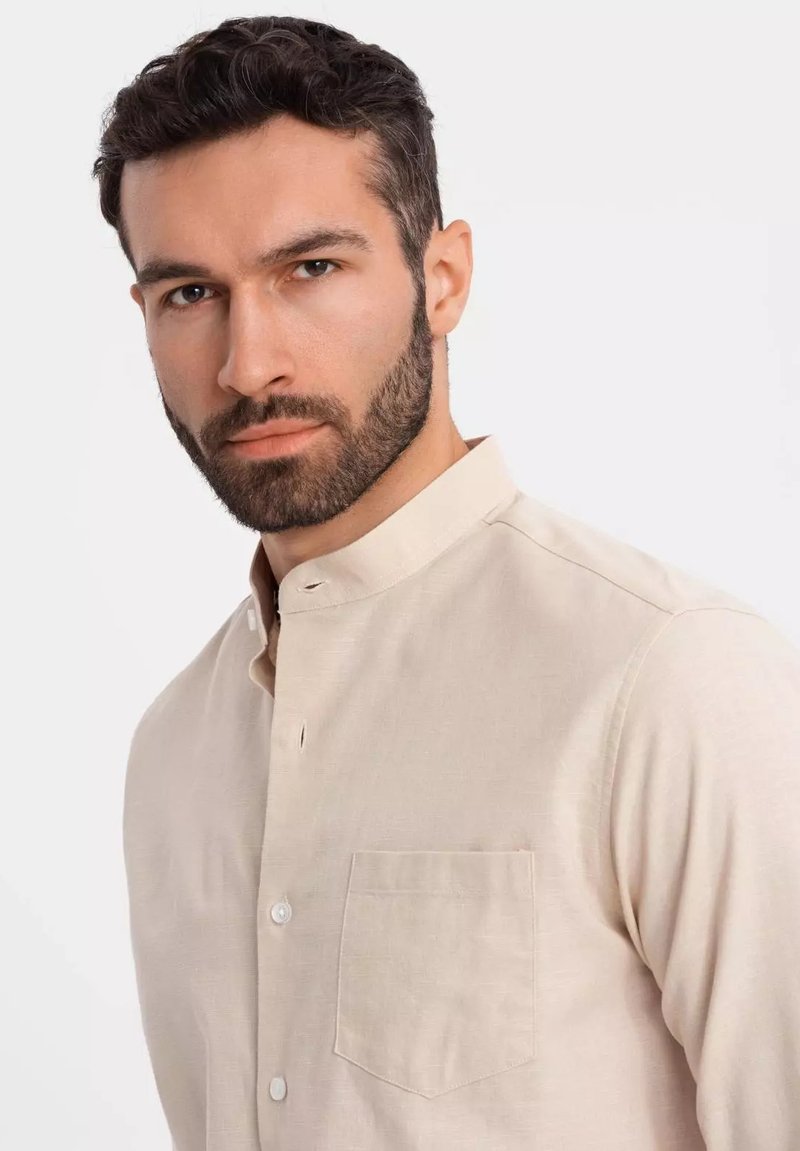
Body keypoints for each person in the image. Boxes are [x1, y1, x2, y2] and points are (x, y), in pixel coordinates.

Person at [92, 15, 800, 1151]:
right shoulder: (174, 750)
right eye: (189, 293)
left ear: (442, 277)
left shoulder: (669, 678)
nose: (248, 363)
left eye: (310, 269)